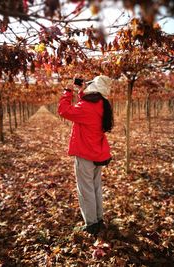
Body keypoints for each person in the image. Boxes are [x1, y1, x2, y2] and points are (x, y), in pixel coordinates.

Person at [58, 75, 114, 235]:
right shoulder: (102, 105)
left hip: (85, 153)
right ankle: (98, 218)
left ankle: (91, 224)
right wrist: (82, 92)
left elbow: (63, 110)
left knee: (85, 189)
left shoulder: (86, 107)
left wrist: (68, 91)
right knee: (95, 187)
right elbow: (87, 105)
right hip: (97, 152)